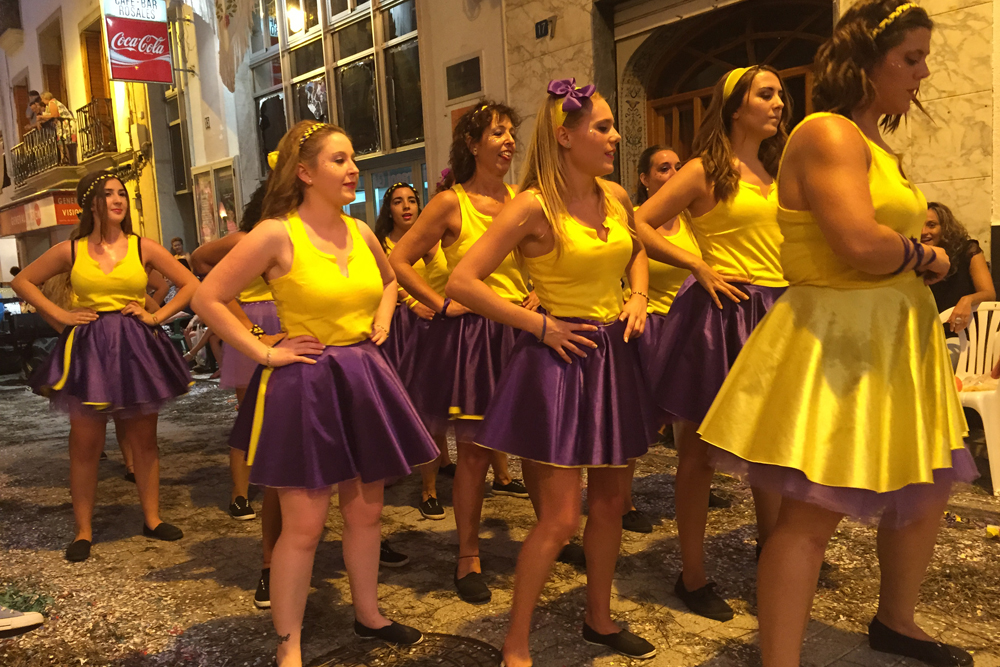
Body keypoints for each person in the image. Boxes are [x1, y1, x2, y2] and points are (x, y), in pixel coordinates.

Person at [698, 2, 978, 665]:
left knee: (924, 485)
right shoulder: (828, 132)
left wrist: (910, 257)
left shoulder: (869, 141)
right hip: (842, 339)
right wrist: (929, 257)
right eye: (911, 58)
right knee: (810, 512)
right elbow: (859, 243)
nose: (923, 72)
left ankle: (896, 620)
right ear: (865, 62)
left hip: (890, 336)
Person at [192, 121, 438, 667]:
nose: (353, 169)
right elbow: (207, 296)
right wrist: (263, 348)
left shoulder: (362, 231)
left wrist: (382, 317)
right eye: (339, 160)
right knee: (303, 526)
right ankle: (290, 645)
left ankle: (369, 615)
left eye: (353, 158)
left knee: (367, 513)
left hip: (364, 374)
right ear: (304, 173)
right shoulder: (276, 233)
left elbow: (390, 280)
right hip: (306, 381)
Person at [448, 79, 656, 665]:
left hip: (613, 358)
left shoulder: (616, 197)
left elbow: (637, 249)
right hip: (559, 363)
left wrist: (638, 295)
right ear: (565, 137)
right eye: (603, 127)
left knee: (611, 503)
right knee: (561, 518)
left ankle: (599, 619)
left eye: (612, 127)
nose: (615, 137)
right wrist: (538, 325)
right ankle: (515, 643)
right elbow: (463, 281)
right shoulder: (533, 205)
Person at [634, 64, 790, 621]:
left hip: (777, 312)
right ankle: (692, 573)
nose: (779, 103)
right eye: (766, 94)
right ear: (735, 106)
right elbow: (639, 222)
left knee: (770, 447)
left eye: (780, 94)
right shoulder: (704, 170)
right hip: (721, 315)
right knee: (698, 453)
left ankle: (773, 556)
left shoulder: (777, 169)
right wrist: (697, 264)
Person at [389, 101, 537, 605]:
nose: (509, 141)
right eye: (497, 132)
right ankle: (468, 555)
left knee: (536, 445)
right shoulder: (450, 203)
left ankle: (551, 535)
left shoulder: (523, 199)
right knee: (474, 453)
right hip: (475, 337)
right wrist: (439, 304)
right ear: (472, 144)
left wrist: (540, 293)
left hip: (521, 331)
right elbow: (399, 259)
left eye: (511, 132)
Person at [12, 169, 198, 563]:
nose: (118, 200)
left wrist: (156, 316)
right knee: (85, 444)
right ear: (90, 204)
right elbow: (23, 282)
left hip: (135, 347)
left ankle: (152, 518)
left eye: (122, 194)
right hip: (89, 349)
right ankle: (83, 530)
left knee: (145, 441)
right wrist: (61, 316)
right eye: (109, 194)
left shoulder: (143, 247)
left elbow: (191, 284)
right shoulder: (71, 250)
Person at [373, 181, 455, 520]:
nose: (406, 206)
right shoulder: (381, 243)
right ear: (388, 209)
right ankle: (423, 484)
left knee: (439, 400)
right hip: (402, 328)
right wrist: (410, 302)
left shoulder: (436, 237)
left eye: (411, 200)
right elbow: (380, 283)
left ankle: (443, 459)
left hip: (438, 325)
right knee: (410, 402)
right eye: (397, 201)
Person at [922, 201, 995, 333]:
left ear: (945, 227)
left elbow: (989, 294)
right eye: (918, 225)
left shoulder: (967, 250)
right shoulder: (912, 259)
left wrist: (968, 300)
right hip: (928, 332)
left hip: (965, 334)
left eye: (931, 225)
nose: (923, 232)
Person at [36, 92, 77, 165]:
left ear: (45, 98)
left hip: (65, 124)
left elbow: (54, 115)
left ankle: (66, 160)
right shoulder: (52, 103)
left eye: (42, 99)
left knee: (63, 143)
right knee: (62, 143)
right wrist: (40, 120)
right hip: (63, 124)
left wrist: (41, 117)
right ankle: (64, 159)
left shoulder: (52, 103)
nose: (42, 101)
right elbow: (50, 117)